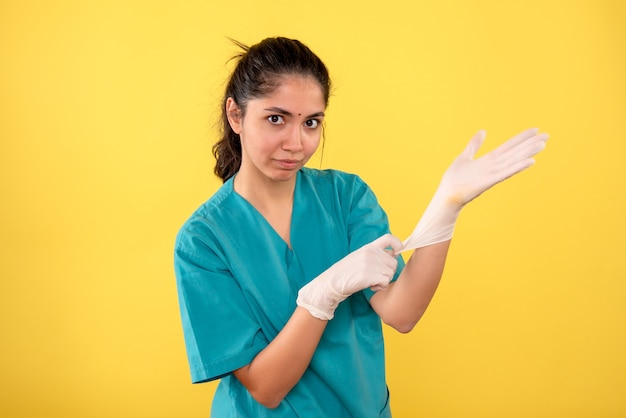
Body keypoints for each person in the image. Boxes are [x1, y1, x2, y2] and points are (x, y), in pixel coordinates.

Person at [174, 37, 548, 417]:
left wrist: (445, 211)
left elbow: (401, 313)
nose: (296, 143)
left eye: (311, 123)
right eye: (276, 119)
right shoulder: (204, 240)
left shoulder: (346, 196)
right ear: (236, 115)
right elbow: (266, 388)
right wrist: (322, 294)